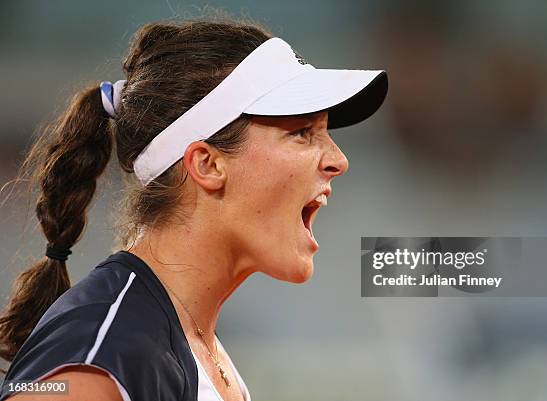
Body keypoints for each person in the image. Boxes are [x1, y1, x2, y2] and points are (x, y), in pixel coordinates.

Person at [0, 16, 387, 401]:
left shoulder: (189, 346)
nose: (339, 159)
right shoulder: (99, 349)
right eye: (302, 133)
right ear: (207, 164)